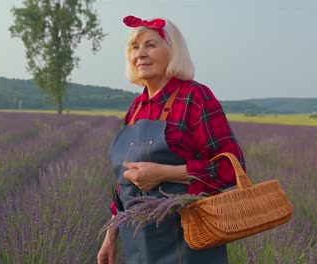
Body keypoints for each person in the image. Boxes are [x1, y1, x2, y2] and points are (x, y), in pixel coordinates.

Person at [97, 15, 246, 264]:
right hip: (140, 248)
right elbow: (125, 186)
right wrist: (110, 237)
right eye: (135, 47)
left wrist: (165, 173)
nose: (141, 53)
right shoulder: (136, 109)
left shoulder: (195, 97)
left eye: (151, 45)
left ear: (173, 52)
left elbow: (231, 169)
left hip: (189, 245)